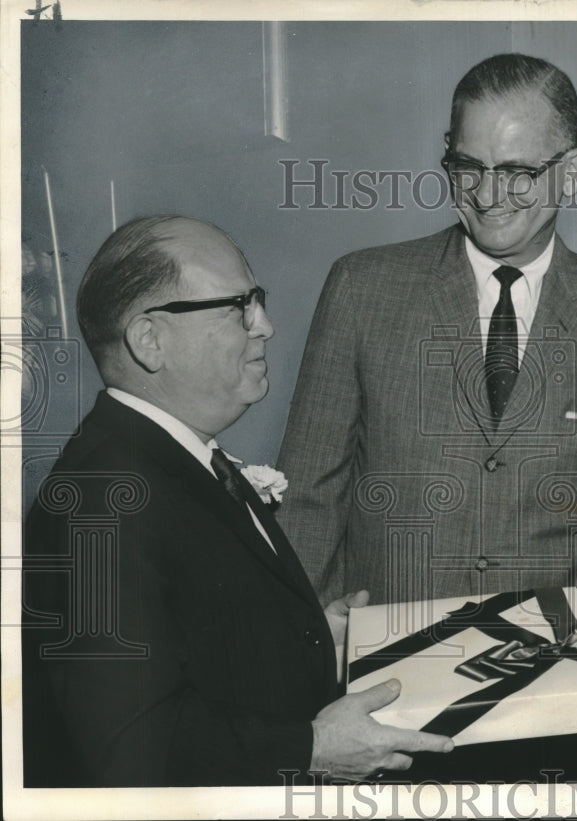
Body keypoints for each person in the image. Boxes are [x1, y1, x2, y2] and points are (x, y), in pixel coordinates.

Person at [20, 215, 453, 787]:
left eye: (259, 300)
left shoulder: (173, 460)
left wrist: (311, 636)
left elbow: (194, 638)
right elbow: (131, 740)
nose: (266, 326)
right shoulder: (101, 500)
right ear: (151, 340)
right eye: (238, 306)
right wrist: (312, 748)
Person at [277, 53, 577, 608]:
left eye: (517, 172)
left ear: (574, 171)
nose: (487, 196)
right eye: (468, 167)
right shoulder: (362, 290)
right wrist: (313, 646)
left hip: (554, 671)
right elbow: (308, 500)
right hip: (387, 665)